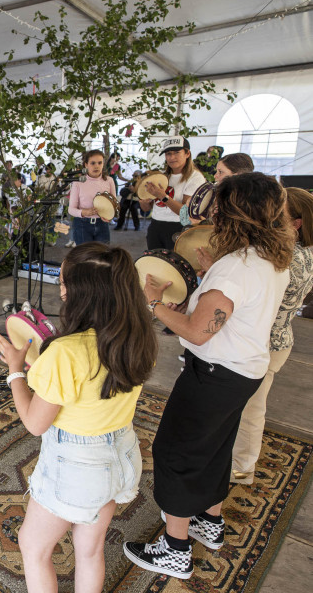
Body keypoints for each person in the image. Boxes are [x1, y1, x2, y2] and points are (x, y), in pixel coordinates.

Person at [125, 172, 295, 579]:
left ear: (235, 211)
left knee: (176, 453)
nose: (212, 210)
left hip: (216, 374)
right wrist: (207, 279)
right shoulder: (271, 256)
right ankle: (209, 522)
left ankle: (175, 549)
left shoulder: (235, 268)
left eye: (219, 204)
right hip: (243, 372)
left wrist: (152, 303)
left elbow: (199, 330)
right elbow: (236, 310)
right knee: (216, 449)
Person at [0, 242, 157, 593]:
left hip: (78, 467)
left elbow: (35, 423)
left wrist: (15, 372)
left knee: (32, 548)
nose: (60, 288)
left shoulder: (66, 352)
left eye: (64, 281)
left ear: (82, 292)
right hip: (122, 454)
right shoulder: (138, 335)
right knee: (90, 550)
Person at [231, 187, 313, 483]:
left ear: (297, 223)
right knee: (245, 406)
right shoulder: (297, 252)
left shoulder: (290, 258)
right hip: (272, 340)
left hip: (267, 344)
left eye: (278, 215)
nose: (268, 219)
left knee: (251, 409)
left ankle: (242, 468)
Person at [139, 136, 206, 251]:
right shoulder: (163, 176)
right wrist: (144, 201)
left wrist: (162, 196)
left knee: (175, 266)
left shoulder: (195, 177)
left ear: (187, 153)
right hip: (156, 225)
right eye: (168, 154)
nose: (172, 157)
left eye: (176, 152)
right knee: (155, 262)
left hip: (178, 227)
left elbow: (185, 213)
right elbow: (146, 209)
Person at [68, 150, 116, 244]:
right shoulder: (78, 182)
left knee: (102, 256)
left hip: (103, 224)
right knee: (84, 256)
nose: (96, 166)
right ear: (86, 164)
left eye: (100, 163)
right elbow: (71, 209)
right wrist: (83, 212)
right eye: (93, 163)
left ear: (103, 164)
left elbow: (114, 205)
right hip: (82, 224)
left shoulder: (109, 181)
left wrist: (110, 216)